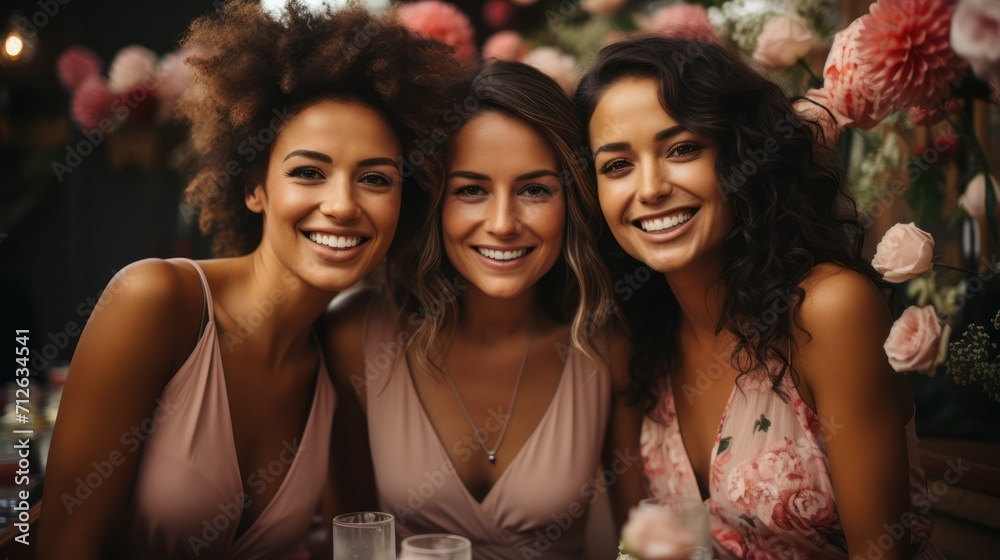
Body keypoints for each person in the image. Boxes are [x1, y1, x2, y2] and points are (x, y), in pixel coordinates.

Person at [37, 2, 461, 558]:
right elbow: (63, 547)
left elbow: (349, 542)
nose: (341, 205)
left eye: (376, 179)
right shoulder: (156, 301)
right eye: (309, 172)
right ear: (253, 188)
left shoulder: (337, 359)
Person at [576, 37, 943, 559]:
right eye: (617, 166)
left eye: (682, 149)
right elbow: (641, 550)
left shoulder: (828, 309)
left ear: (740, 156)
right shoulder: (634, 338)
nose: (650, 188)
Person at [323, 60, 645, 559]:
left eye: (535, 190)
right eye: (471, 190)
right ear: (434, 202)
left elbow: (640, 545)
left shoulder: (605, 344)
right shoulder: (354, 336)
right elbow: (351, 541)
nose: (502, 224)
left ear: (573, 201)